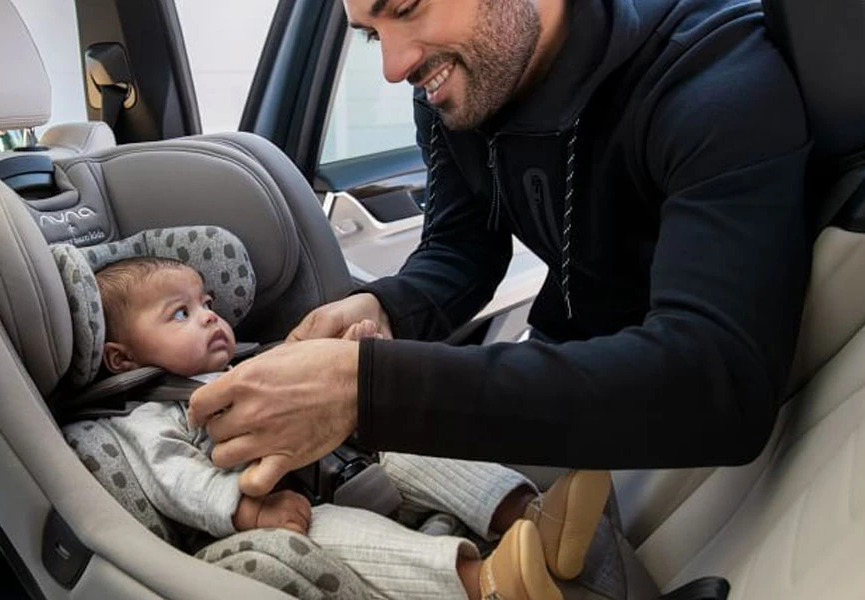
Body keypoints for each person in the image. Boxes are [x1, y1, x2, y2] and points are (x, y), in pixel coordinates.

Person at [187, 0, 812, 498]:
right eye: (373, 35)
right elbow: (462, 253)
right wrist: (381, 311)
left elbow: (714, 382)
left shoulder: (715, 77)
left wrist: (365, 390)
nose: (395, 66)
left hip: (663, 421)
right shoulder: (452, 86)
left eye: (405, 7)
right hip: (554, 374)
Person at [94, 256, 612, 600]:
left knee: (411, 445)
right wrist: (248, 509)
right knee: (329, 532)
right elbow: (175, 480)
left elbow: (314, 384)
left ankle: (530, 516)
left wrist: (352, 354)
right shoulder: (152, 417)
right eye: (179, 313)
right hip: (285, 512)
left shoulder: (245, 366)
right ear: (121, 358)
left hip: (343, 463)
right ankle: (486, 583)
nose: (209, 317)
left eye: (207, 303)